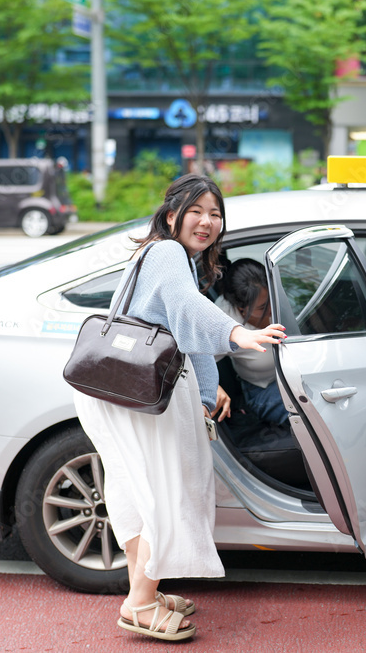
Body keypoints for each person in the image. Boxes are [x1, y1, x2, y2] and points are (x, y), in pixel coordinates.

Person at [72, 174, 286, 642]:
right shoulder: (168, 253)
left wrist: (211, 389)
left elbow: (182, 324)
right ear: (172, 216)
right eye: (197, 211)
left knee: (137, 491)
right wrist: (238, 334)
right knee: (168, 492)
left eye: (215, 214)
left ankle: (142, 592)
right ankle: (140, 604)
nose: (207, 222)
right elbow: (186, 307)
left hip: (124, 389)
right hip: (140, 393)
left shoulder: (172, 258)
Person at [214, 259, 289, 428]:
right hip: (262, 390)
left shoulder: (281, 296)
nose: (272, 309)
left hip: (294, 376)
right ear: (242, 309)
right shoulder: (224, 322)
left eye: (272, 298)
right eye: (263, 307)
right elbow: (195, 360)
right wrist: (213, 386)